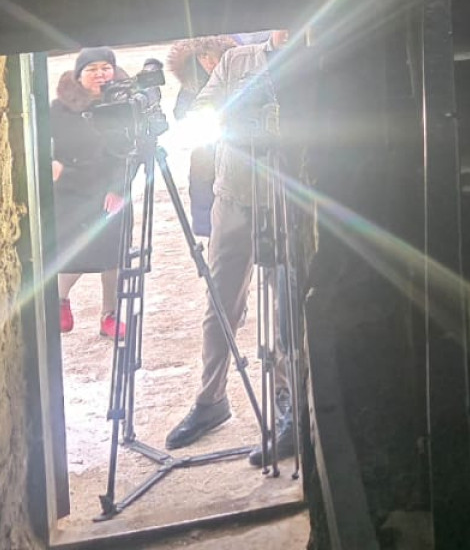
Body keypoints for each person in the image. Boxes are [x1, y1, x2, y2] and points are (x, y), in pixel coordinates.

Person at [164, 29, 299, 465]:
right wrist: (232, 113)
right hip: (235, 195)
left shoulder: (313, 60)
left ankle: (289, 404)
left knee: (286, 310)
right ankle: (211, 400)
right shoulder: (237, 61)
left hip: (288, 201)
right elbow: (201, 110)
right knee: (221, 303)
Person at [50, 47, 133, 340]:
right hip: (71, 189)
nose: (100, 74)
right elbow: (43, 141)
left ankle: (109, 315)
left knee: (112, 255)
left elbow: (132, 152)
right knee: (76, 250)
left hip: (110, 189)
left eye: (105, 68)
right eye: (92, 69)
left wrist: (118, 188)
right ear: (79, 75)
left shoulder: (125, 103)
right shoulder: (60, 108)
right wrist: (52, 163)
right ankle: (59, 301)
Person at [165, 36, 235, 237]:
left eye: (215, 55)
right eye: (204, 56)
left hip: (240, 154)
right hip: (205, 156)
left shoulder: (239, 77)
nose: (210, 62)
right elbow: (180, 113)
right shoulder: (191, 83)